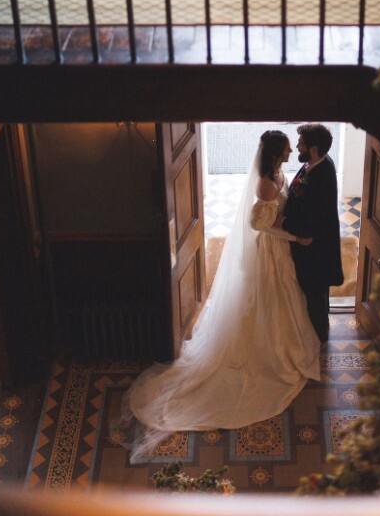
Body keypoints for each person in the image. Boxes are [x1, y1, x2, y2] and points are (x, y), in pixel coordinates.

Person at [116, 130, 320, 463]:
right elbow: (258, 224)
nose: (289, 153)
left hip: (278, 250)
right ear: (274, 153)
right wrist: (295, 237)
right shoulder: (265, 185)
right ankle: (267, 351)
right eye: (285, 149)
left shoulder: (278, 174)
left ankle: (284, 344)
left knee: (283, 300)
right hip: (269, 249)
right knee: (266, 299)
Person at [281, 123, 344, 342]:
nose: (297, 146)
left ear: (314, 148)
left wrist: (284, 223)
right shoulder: (314, 163)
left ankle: (318, 338)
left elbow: (313, 216)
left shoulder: (322, 175)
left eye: (301, 143)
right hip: (313, 244)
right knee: (315, 290)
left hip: (314, 248)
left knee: (314, 291)